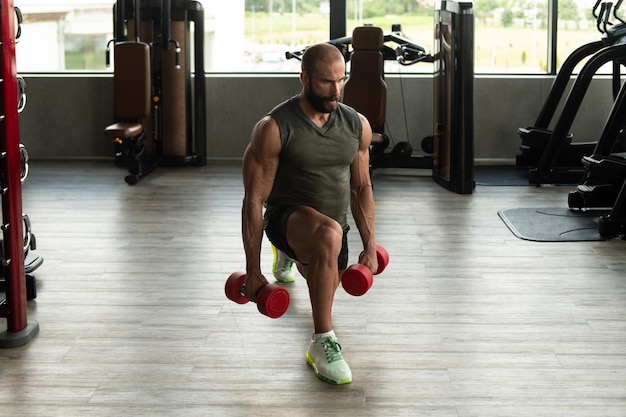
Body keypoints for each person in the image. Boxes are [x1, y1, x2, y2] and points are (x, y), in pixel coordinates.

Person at [241, 42, 379, 385]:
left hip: (334, 225)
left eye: (340, 81)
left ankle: (291, 257)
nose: (335, 91)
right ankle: (322, 342)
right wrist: (252, 271)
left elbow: (361, 188)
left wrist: (371, 245)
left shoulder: (355, 125)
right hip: (287, 217)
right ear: (304, 78)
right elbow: (254, 201)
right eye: (325, 83)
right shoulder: (275, 127)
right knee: (326, 238)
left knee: (326, 267)